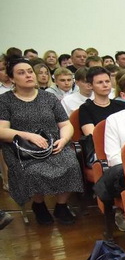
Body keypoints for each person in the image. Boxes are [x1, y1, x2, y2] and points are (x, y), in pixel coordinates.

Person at [0, 58, 83, 224]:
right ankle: (39, 205)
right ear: (12, 78)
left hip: (52, 144)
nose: (28, 75)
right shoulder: (5, 100)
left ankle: (61, 206)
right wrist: (28, 135)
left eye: (30, 71)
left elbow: (66, 124)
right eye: (21, 73)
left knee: (71, 164)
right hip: (23, 150)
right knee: (33, 171)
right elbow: (2, 130)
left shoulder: (49, 98)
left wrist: (64, 139)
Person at [78, 67, 125, 135]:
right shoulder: (85, 108)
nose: (105, 85)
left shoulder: (122, 105)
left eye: (107, 81)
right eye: (100, 82)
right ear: (90, 85)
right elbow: (92, 135)